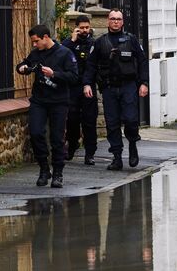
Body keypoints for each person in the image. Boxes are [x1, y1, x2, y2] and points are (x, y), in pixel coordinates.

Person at [83, 10, 149, 171]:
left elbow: (142, 62)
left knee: (131, 120)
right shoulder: (100, 43)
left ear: (122, 22)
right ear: (108, 21)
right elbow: (91, 66)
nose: (115, 22)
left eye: (118, 19)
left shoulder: (131, 40)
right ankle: (117, 157)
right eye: (112, 19)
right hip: (109, 87)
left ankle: (132, 143)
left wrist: (144, 83)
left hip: (128, 86)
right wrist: (86, 84)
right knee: (112, 123)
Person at [16, 24, 79, 188]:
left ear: (45, 37)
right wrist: (22, 68)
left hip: (59, 101)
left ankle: (58, 172)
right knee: (36, 133)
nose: (34, 45)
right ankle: (44, 169)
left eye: (36, 41)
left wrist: (54, 74)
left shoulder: (64, 53)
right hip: (39, 100)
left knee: (57, 138)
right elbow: (24, 64)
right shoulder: (36, 53)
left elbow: (73, 77)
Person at [61, 16, 98, 165]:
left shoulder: (93, 44)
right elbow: (61, 53)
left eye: (86, 28)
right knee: (72, 120)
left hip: (88, 87)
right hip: (73, 88)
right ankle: (72, 145)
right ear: (76, 28)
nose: (84, 30)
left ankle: (90, 153)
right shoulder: (69, 43)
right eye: (81, 28)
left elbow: (95, 64)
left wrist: (88, 83)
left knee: (89, 121)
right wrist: (72, 40)